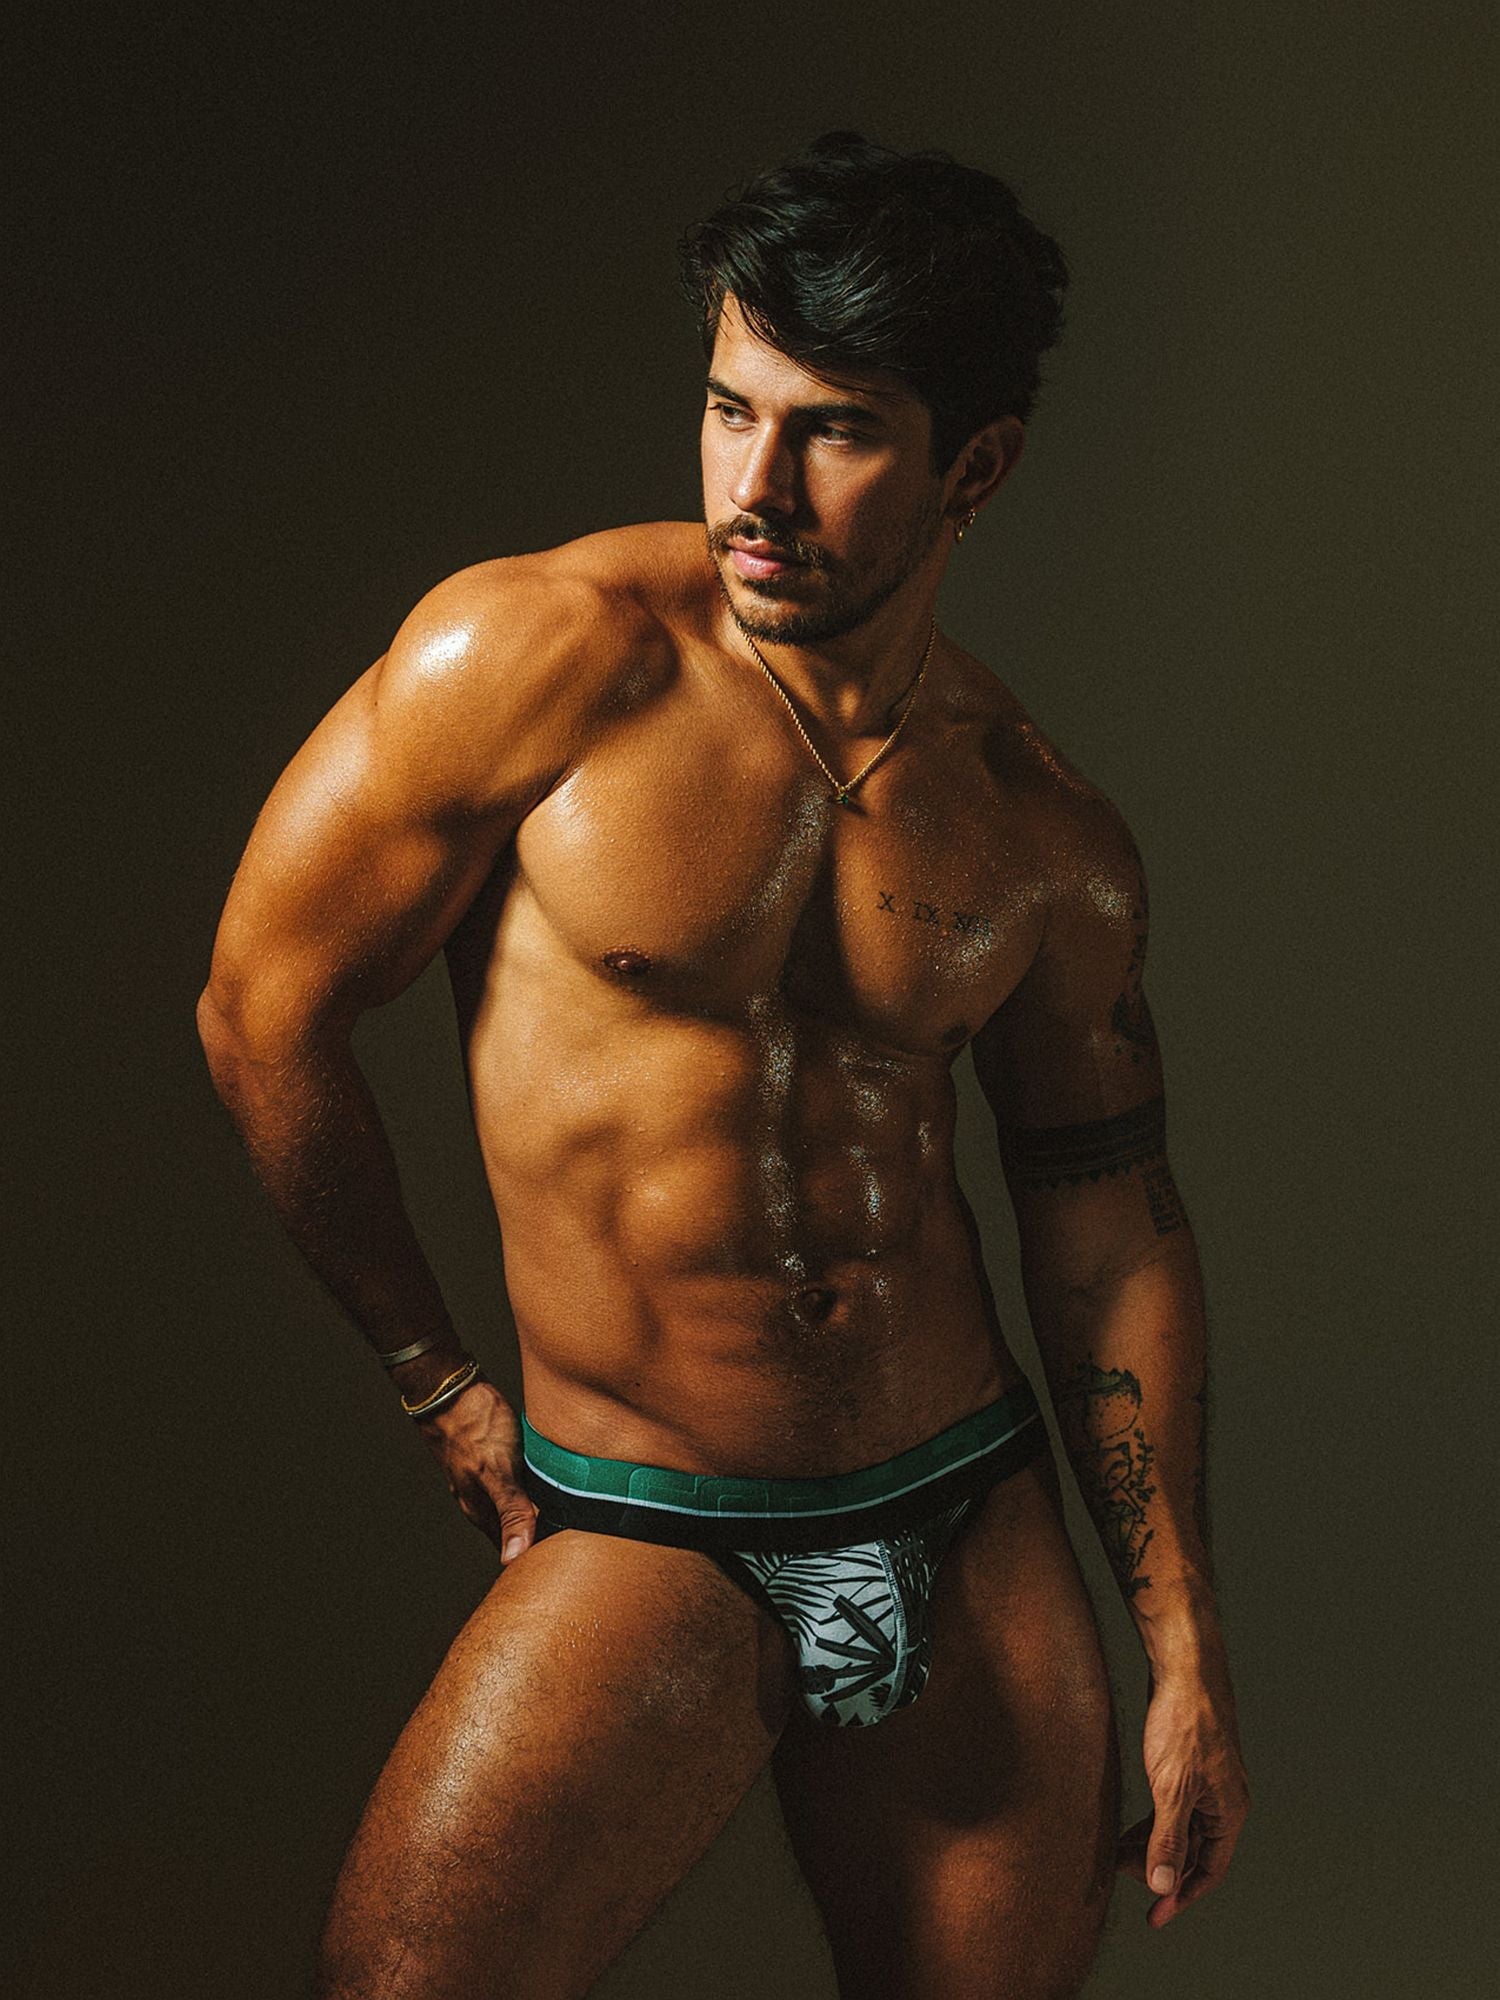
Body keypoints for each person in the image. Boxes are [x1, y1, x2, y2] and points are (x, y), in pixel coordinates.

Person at [198, 132, 1249, 2000]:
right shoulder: (536, 659)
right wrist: (437, 1380)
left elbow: (1106, 1222)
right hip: (653, 1513)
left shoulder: (1039, 825)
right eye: (728, 408)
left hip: (962, 1508)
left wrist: (1184, 1654)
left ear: (975, 467)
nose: (755, 487)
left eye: (834, 433)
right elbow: (261, 1009)